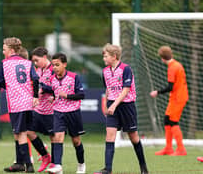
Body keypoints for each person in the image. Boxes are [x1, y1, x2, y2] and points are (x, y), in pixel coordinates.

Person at [98, 44, 148, 174]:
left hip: (126, 106)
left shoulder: (126, 69)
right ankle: (107, 169)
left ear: (114, 56)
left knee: (133, 137)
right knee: (109, 136)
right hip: (112, 106)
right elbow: (108, 88)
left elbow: (126, 90)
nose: (104, 58)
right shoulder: (105, 71)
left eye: (106, 56)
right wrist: (106, 103)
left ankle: (143, 168)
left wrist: (114, 105)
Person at [0, 37, 39, 173]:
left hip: (16, 103)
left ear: (11, 50)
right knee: (18, 133)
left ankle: (28, 165)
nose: (2, 51)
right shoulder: (27, 63)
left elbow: (0, 82)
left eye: (4, 49)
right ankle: (19, 163)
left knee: (20, 133)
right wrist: (35, 96)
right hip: (28, 102)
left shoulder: (5, 63)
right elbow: (35, 79)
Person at [44, 53, 86, 174]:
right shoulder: (52, 78)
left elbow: (81, 95)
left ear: (65, 64)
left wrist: (67, 96)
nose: (55, 68)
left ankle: (81, 164)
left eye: (57, 65)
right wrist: (53, 97)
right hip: (58, 112)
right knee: (58, 138)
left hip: (73, 112)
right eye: (53, 65)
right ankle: (58, 166)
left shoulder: (74, 77)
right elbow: (54, 91)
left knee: (76, 141)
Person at [150, 46, 188, 156]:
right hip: (177, 97)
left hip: (178, 98)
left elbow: (170, 87)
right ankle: (168, 148)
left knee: (172, 121)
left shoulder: (172, 68)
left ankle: (181, 149)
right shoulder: (177, 64)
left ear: (162, 58)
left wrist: (157, 92)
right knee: (167, 120)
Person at [29, 47, 54, 172]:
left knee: (53, 137)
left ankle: (55, 163)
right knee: (28, 131)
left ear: (44, 57)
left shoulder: (54, 69)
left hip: (51, 110)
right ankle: (45, 156)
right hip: (38, 109)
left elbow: (59, 87)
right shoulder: (38, 71)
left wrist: (45, 89)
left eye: (36, 60)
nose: (35, 63)